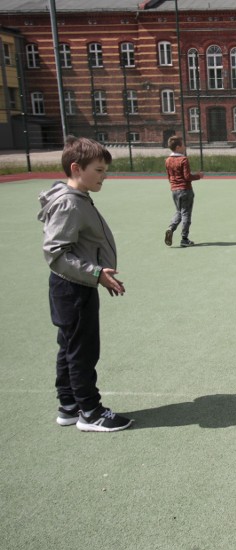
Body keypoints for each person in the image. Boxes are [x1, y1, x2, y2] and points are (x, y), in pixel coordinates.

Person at [37, 136, 133, 432]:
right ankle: (90, 412)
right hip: (74, 289)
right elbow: (55, 253)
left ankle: (69, 405)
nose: (104, 176)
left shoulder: (74, 197)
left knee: (69, 346)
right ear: (77, 168)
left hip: (72, 286)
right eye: (99, 170)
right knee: (82, 351)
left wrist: (97, 275)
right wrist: (95, 273)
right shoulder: (69, 203)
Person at [164, 135, 203, 247]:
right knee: (186, 214)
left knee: (179, 212)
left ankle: (171, 228)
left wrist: (174, 185)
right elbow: (187, 177)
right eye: (183, 145)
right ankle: (184, 239)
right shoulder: (183, 159)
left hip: (174, 190)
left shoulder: (167, 160)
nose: (185, 146)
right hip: (185, 190)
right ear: (177, 147)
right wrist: (198, 176)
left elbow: (169, 176)